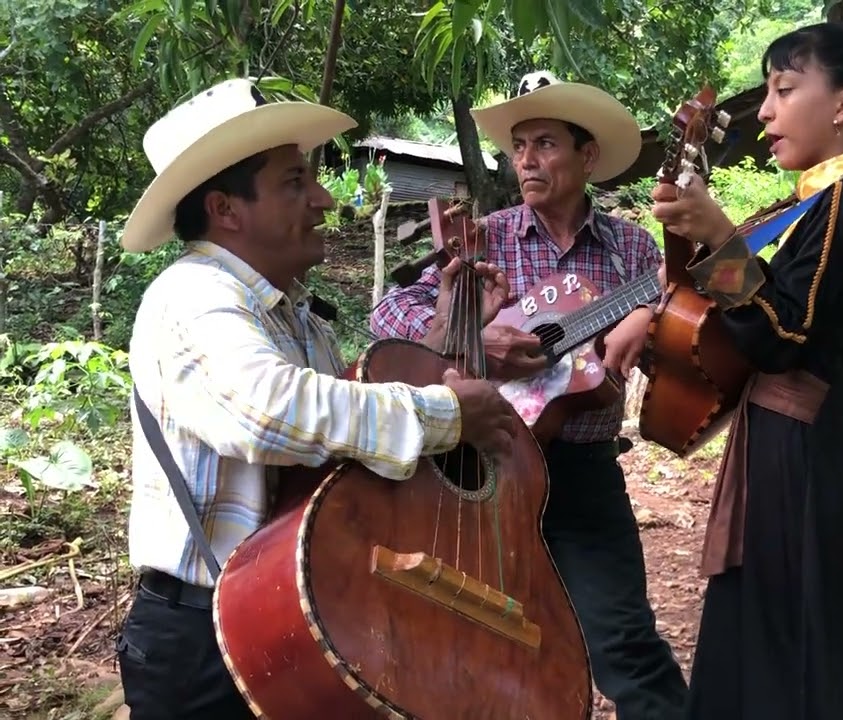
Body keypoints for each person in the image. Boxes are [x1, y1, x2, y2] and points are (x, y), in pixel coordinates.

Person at [115, 78, 517, 720]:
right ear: (226, 209)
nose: (324, 200)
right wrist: (447, 415)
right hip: (206, 639)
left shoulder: (299, 318)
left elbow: (340, 429)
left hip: (295, 615)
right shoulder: (190, 296)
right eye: (295, 183)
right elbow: (269, 410)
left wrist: (447, 329)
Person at [370, 71, 688, 719]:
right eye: (518, 147)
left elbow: (680, 321)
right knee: (486, 647)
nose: (526, 160)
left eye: (544, 144)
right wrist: (476, 339)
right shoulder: (484, 237)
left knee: (623, 642)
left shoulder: (632, 250)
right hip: (482, 478)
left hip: (583, 475)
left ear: (586, 156)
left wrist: (650, 317)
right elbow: (390, 314)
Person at [649, 23, 843, 719]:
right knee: (785, 631)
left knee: (796, 640)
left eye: (784, 90)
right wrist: (697, 238)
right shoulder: (816, 203)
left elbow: (780, 334)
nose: (764, 111)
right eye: (767, 92)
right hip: (799, 447)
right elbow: (741, 307)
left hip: (808, 458)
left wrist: (718, 236)